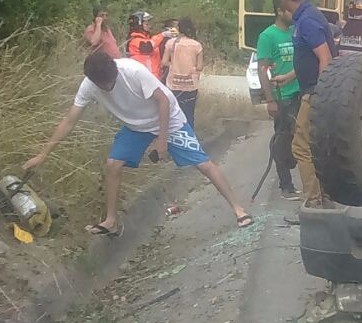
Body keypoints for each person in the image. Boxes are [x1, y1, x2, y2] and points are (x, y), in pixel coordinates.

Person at [22, 52, 251, 236]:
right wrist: (42, 155)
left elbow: (162, 101)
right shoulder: (89, 85)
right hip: (136, 127)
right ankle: (111, 221)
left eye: (109, 83)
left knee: (203, 164)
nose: (106, 88)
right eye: (101, 85)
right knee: (113, 164)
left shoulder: (132, 71)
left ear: (115, 72)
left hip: (168, 120)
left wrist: (162, 141)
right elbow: (69, 121)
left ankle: (238, 209)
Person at [275, 0, 338, 209]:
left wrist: (318, 95)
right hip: (313, 89)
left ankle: (314, 201)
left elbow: (325, 58)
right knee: (315, 145)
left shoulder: (308, 21)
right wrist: (291, 75)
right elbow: (309, 57)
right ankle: (324, 197)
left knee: (301, 146)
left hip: (314, 92)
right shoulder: (306, 16)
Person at [256, 0, 301, 200]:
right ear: (280, 12)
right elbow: (262, 70)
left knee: (302, 139)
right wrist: (270, 100)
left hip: (300, 93)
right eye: (288, 11)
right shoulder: (267, 36)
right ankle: (286, 186)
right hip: (282, 97)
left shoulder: (295, 32)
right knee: (283, 141)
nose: (293, 14)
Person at [162, 17, 204, 127]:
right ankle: (189, 139)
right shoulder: (197, 45)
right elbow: (200, 67)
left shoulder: (170, 43)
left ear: (179, 29)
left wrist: (174, 65)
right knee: (189, 115)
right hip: (191, 86)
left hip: (173, 85)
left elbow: (164, 62)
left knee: (173, 115)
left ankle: (174, 139)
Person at [125, 11, 160, 78]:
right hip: (144, 78)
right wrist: (162, 35)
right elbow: (148, 48)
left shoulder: (147, 39)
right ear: (139, 25)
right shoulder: (135, 40)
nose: (149, 26)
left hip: (152, 77)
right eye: (146, 24)